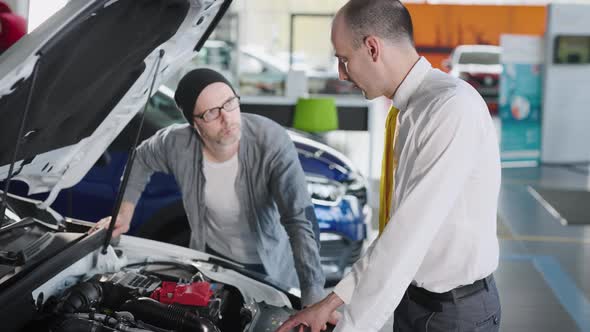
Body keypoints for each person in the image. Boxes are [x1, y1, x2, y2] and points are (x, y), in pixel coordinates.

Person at [277, 0, 501, 331]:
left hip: (454, 314)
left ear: (372, 48)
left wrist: (348, 325)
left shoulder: (451, 109)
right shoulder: (409, 111)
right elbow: (395, 233)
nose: (341, 74)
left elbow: (409, 233)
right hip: (413, 301)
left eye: (343, 60)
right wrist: (333, 301)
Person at [96, 68, 326, 307]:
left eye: (229, 103)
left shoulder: (271, 140)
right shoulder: (177, 144)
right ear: (195, 124)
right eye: (211, 113)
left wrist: (313, 289)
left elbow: (299, 218)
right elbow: (141, 157)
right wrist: (124, 213)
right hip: (212, 263)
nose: (227, 118)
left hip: (270, 268)